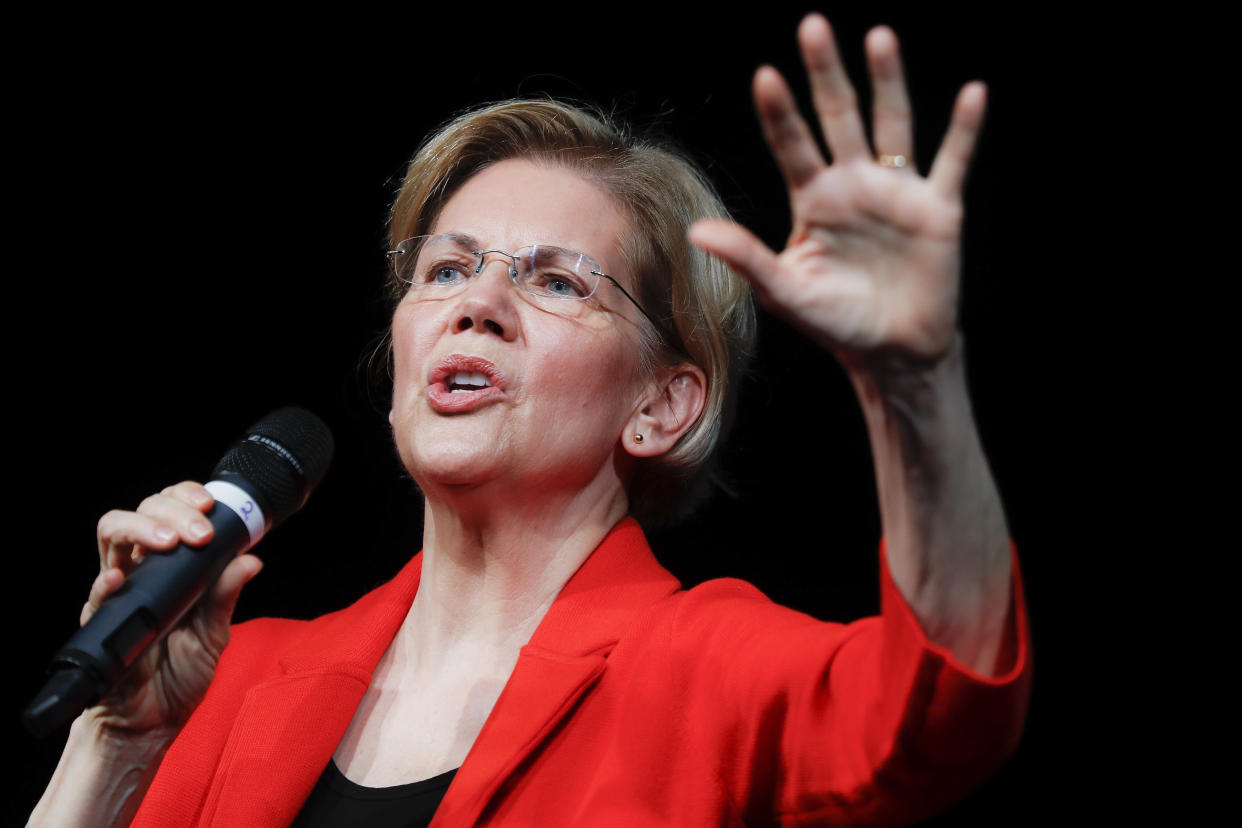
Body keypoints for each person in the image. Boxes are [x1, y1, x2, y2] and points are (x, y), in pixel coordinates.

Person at [30, 14, 1029, 827]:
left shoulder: (703, 668)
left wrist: (915, 381)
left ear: (663, 404)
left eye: (556, 280)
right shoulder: (232, 676)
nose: (479, 303)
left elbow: (942, 706)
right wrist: (119, 743)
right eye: (449, 268)